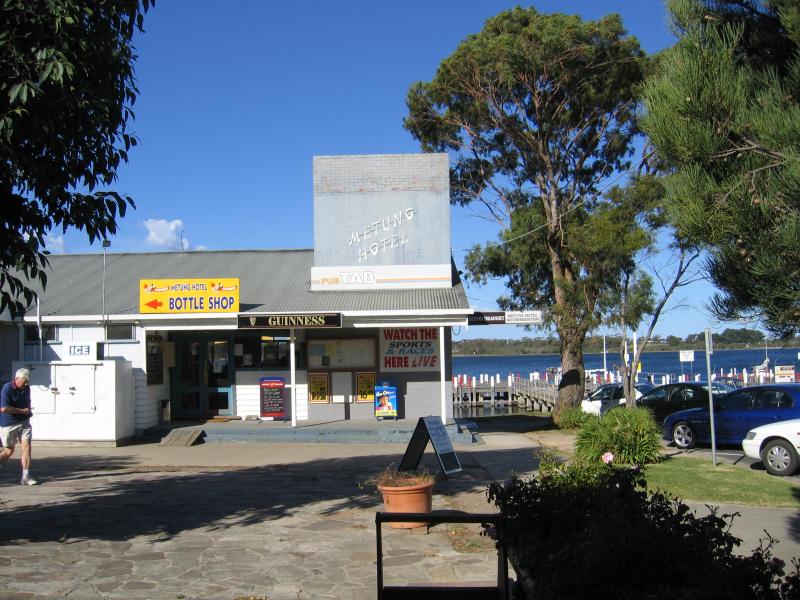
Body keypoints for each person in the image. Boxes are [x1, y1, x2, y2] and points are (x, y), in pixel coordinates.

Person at [0, 368, 37, 485]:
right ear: (16, 379)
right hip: (9, 423)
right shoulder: (7, 388)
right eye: (24, 381)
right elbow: (4, 409)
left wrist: (28, 412)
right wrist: (22, 411)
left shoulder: (27, 388)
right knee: (8, 451)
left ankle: (25, 477)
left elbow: (27, 403)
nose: (26, 383)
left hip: (24, 422)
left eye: (27, 381)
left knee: (27, 447)